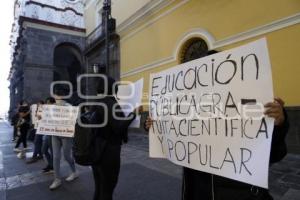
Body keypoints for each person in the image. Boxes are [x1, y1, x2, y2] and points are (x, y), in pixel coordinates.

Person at [145, 97, 288, 200]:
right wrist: (156, 126)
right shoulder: (191, 116)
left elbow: (276, 154)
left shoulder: (248, 113)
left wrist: (278, 125)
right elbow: (175, 142)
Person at [91, 75, 142, 200]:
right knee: (108, 187)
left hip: (96, 150)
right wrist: (133, 114)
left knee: (99, 186)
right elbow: (118, 127)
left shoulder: (97, 101)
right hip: (108, 151)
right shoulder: (109, 103)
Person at [49, 86, 78, 190]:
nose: (55, 96)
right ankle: (57, 179)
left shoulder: (68, 106)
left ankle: (74, 171)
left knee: (67, 156)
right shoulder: (51, 107)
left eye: (56, 94)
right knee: (56, 156)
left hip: (66, 135)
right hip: (55, 134)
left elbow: (75, 120)